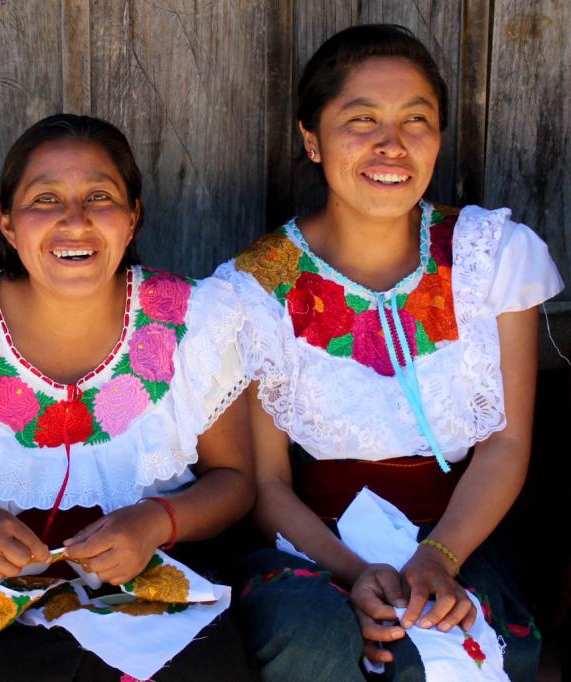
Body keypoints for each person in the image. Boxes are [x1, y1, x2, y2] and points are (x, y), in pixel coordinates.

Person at [219, 24, 564, 681]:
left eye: (417, 120)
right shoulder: (253, 288)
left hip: (464, 532)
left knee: (482, 650)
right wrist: (354, 571)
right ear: (311, 139)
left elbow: (506, 445)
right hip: (314, 545)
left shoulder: (489, 255)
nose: (392, 144)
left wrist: (438, 556)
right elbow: (265, 484)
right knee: (318, 644)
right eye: (361, 118)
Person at [0, 113, 258, 680]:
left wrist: (154, 522)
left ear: (134, 217)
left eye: (99, 197)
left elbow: (235, 482)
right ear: (7, 222)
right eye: (45, 199)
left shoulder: (193, 323)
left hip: (157, 579)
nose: (73, 221)